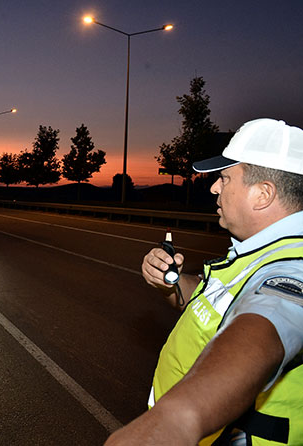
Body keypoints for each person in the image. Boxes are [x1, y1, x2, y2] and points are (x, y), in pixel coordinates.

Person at [105, 118, 303, 445]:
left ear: (263, 194)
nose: (213, 188)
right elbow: (216, 304)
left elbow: (263, 332)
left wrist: (178, 420)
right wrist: (171, 283)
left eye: (225, 178)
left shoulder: (293, 266)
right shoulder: (259, 250)